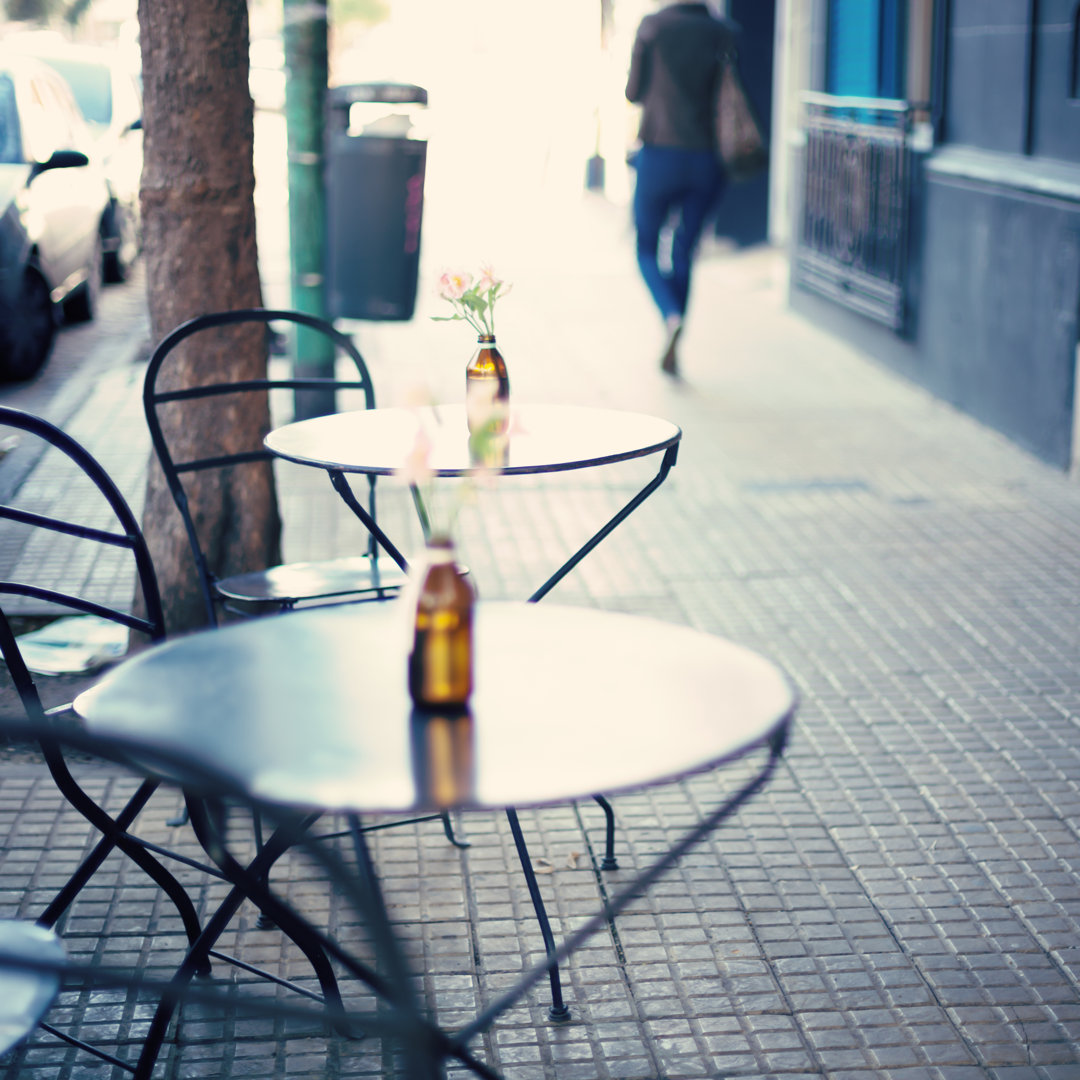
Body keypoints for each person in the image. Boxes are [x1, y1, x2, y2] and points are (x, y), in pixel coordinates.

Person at [625, 1, 733, 376]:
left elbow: (633, 91)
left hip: (660, 155)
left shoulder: (654, 26)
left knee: (645, 246)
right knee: (685, 250)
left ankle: (670, 316)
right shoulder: (723, 31)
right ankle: (675, 332)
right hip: (708, 159)